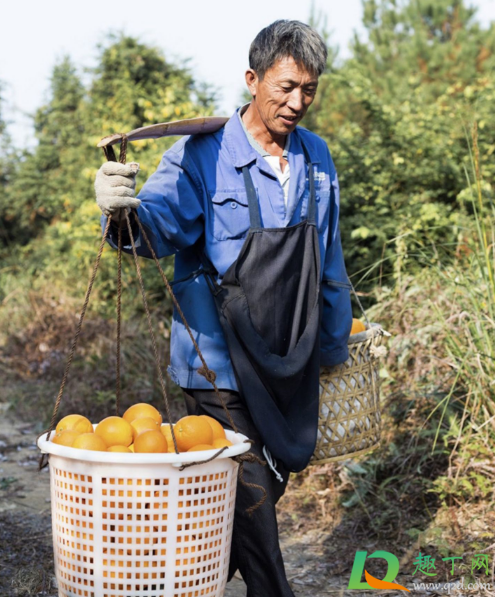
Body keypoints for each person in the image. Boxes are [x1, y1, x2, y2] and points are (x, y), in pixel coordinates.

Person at [95, 20, 352, 597]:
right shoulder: (202, 155)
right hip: (216, 361)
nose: (296, 102)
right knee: (254, 497)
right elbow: (156, 223)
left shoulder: (316, 159)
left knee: (249, 494)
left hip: (286, 356)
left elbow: (328, 261)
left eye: (309, 90)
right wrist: (120, 210)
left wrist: (334, 347)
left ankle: (173, 577)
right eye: (285, 86)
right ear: (252, 78)